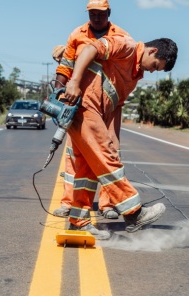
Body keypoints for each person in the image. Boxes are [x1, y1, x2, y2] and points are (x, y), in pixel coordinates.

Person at [63, 36, 178, 239]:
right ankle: (134, 213)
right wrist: (73, 82)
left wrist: (114, 136)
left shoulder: (135, 76)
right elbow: (91, 49)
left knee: (87, 170)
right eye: (155, 66)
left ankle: (79, 221)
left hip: (95, 114)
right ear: (152, 51)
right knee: (107, 160)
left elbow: (115, 106)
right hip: (84, 106)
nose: (152, 71)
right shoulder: (127, 47)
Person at [53, 0, 129, 219]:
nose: (96, 17)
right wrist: (59, 93)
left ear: (109, 13)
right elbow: (65, 66)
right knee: (75, 154)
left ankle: (108, 204)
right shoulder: (77, 34)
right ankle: (69, 202)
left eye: (101, 14)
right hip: (81, 104)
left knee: (110, 151)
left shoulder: (119, 36)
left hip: (111, 106)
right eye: (92, 13)